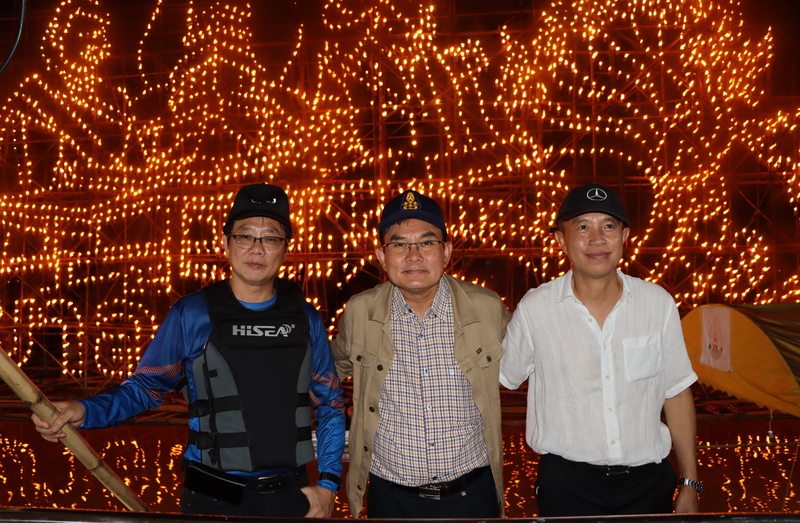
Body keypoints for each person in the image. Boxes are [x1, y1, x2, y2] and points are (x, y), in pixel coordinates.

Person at [32, 183, 347, 518]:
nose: (257, 249)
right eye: (245, 236)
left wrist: (328, 483)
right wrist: (84, 410)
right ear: (226, 243)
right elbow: (145, 388)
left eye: (270, 238)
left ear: (285, 249)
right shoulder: (191, 314)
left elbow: (330, 403)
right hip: (211, 497)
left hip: (290, 496)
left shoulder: (306, 319)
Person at [499, 183, 702, 516]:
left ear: (624, 236)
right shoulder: (536, 309)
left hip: (648, 485)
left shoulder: (657, 304)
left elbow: (677, 392)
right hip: (567, 487)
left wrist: (690, 483)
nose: (597, 239)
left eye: (608, 226)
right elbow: (502, 377)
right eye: (582, 227)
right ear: (561, 239)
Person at [332, 189, 510, 518]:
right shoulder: (360, 312)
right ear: (382, 256)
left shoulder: (485, 308)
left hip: (471, 494)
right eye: (399, 245)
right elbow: (330, 370)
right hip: (391, 497)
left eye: (427, 243)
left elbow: (526, 367)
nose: (413, 256)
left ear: (446, 251)